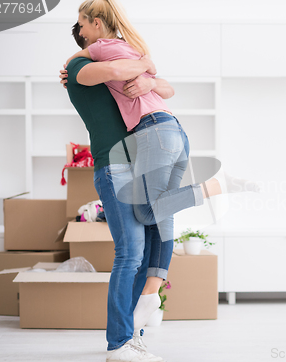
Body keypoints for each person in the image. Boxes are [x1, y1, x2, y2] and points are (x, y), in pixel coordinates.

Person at [67, 0, 261, 245]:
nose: (80, 31)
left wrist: (68, 69)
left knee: (148, 211)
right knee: (161, 208)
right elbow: (167, 89)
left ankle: (215, 185)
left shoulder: (101, 49)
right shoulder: (132, 50)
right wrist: (147, 71)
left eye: (82, 25)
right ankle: (154, 280)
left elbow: (77, 61)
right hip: (172, 130)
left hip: (153, 130)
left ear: (96, 23)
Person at [63, 23, 174, 362]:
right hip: (114, 166)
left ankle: (132, 333)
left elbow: (167, 89)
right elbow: (114, 67)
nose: (113, 41)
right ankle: (118, 344)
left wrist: (149, 77)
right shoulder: (81, 67)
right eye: (99, 33)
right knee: (130, 252)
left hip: (138, 163)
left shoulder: (116, 65)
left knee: (155, 240)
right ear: (87, 38)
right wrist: (146, 63)